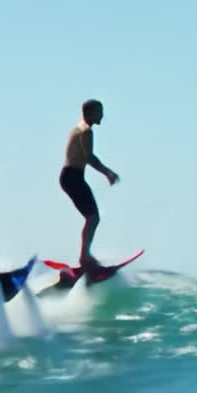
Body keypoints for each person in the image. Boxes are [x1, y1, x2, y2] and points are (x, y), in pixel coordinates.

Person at [61, 99, 119, 270]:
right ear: (91, 113)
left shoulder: (78, 128)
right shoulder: (86, 131)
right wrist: (108, 172)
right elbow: (89, 157)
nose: (102, 115)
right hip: (73, 177)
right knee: (93, 218)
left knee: (92, 218)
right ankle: (84, 258)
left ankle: (84, 256)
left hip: (70, 177)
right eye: (100, 111)